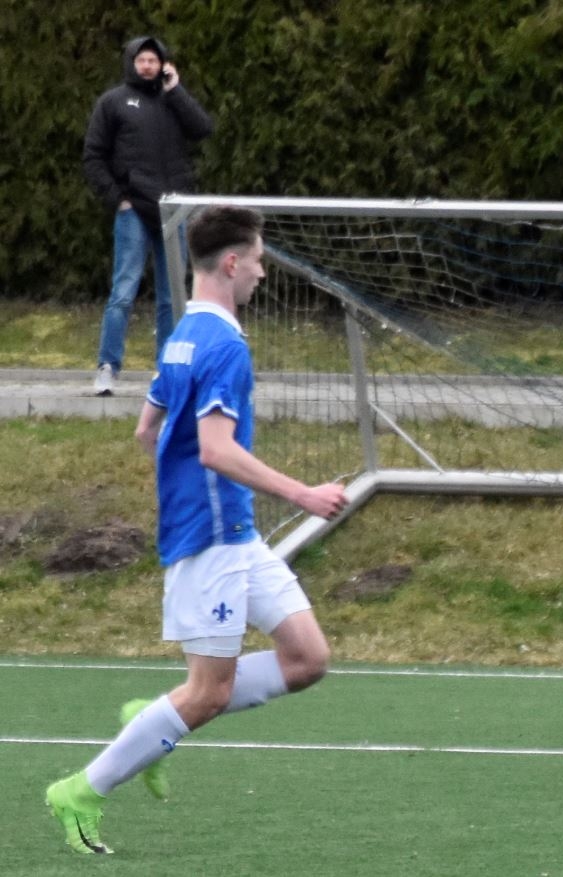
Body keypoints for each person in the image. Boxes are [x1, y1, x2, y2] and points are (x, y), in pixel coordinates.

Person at [44, 205, 349, 855]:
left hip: (233, 532)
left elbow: (147, 426)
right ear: (232, 263)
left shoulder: (184, 333)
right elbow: (214, 449)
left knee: (307, 657)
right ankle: (81, 790)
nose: (263, 273)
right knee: (208, 693)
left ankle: (159, 716)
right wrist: (303, 494)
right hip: (209, 539)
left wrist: (178, 475)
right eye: (259, 261)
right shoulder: (226, 346)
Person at [83, 35, 214, 396]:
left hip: (173, 210)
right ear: (131, 62)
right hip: (134, 210)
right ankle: (108, 366)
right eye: (141, 60)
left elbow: (203, 128)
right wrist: (118, 199)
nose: (147, 66)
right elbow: (93, 156)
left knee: (172, 297)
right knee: (123, 292)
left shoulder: (172, 99)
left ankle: (168, 372)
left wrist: (176, 90)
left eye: (153, 61)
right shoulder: (113, 102)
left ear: (162, 64)